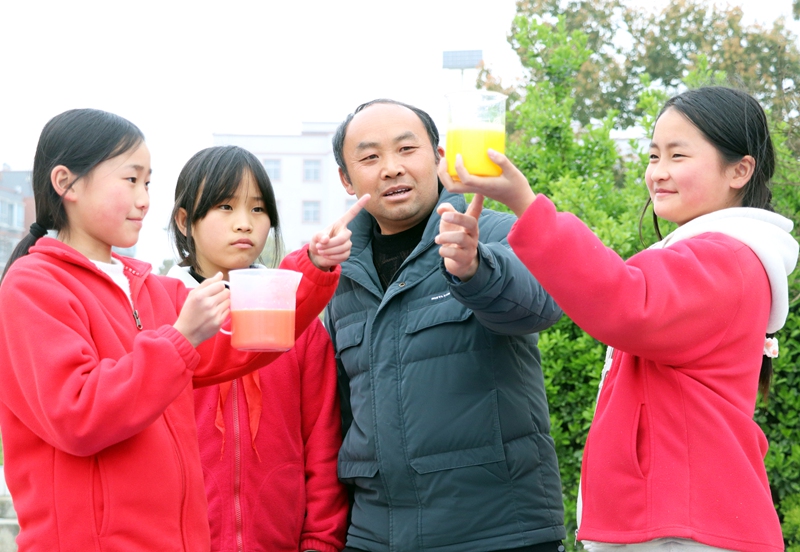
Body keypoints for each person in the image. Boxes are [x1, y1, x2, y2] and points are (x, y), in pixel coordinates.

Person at [437, 86, 798, 552]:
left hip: (682, 529)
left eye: (677, 155)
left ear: (739, 170)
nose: (658, 172)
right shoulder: (720, 255)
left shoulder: (726, 258)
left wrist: (525, 202)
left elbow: (624, 302)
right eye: (653, 155)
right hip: (679, 522)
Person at [0, 109, 361, 552]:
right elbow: (77, 414)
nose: (144, 200)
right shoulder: (33, 285)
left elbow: (245, 340)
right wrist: (180, 340)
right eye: (131, 180)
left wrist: (313, 264)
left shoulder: (152, 288)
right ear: (66, 183)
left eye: (148, 183)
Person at [326, 99, 566, 552]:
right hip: (375, 535)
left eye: (407, 149)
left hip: (498, 531)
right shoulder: (338, 273)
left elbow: (543, 304)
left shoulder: (490, 232)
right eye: (370, 157)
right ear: (346, 179)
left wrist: (476, 269)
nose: (392, 168)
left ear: (438, 157)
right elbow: (337, 414)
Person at [167, 145, 356, 552]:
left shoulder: (298, 322)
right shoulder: (160, 314)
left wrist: (320, 541)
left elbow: (323, 446)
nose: (245, 223)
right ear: (185, 221)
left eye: (258, 209)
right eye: (225, 206)